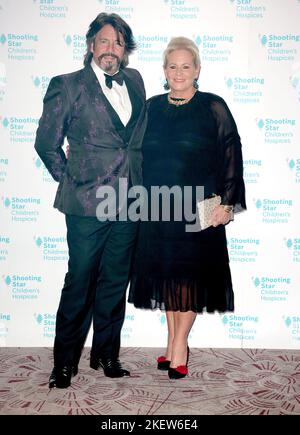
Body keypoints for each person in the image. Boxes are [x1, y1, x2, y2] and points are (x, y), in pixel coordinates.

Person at [34, 13, 147, 388]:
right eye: (104, 41)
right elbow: (46, 143)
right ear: (90, 45)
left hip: (130, 200)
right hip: (87, 204)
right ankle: (64, 362)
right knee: (80, 280)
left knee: (115, 280)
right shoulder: (67, 86)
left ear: (124, 50)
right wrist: (73, 181)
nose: (110, 49)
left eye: (118, 43)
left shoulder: (134, 80)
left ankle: (106, 354)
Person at [128, 37, 246, 379]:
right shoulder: (150, 107)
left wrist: (227, 202)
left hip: (200, 209)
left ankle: (180, 346)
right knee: (168, 278)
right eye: (172, 66)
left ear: (197, 70)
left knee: (188, 278)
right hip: (158, 207)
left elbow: (230, 152)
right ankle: (172, 342)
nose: (179, 72)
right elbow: (135, 155)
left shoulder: (213, 106)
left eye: (186, 66)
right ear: (164, 71)